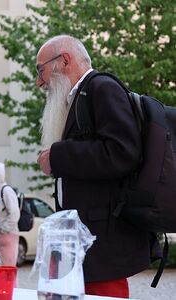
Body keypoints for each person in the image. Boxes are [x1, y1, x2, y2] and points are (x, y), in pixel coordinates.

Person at [36, 35, 150, 298]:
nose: (39, 82)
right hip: (84, 239)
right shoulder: (82, 95)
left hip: (101, 242)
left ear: (64, 60)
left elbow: (123, 153)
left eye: (40, 70)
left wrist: (58, 156)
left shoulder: (102, 88)